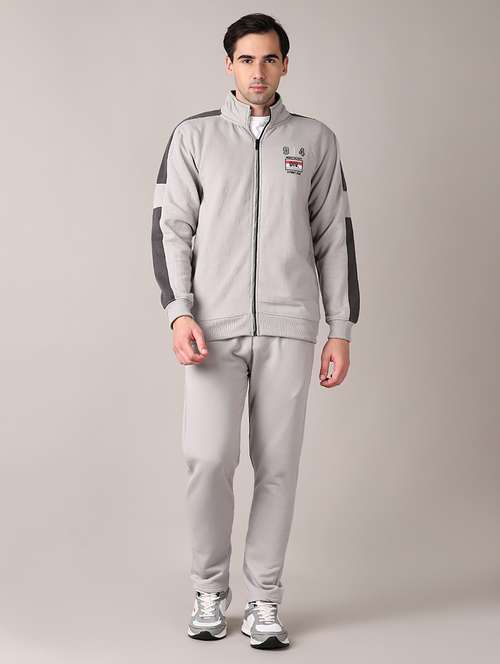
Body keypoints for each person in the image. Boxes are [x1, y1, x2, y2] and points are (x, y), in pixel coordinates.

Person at [151, 12, 360, 650]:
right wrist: (179, 311)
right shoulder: (194, 136)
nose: (258, 71)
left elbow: (335, 237)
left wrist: (340, 327)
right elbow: (170, 229)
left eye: (270, 59)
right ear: (229, 65)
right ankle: (209, 590)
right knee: (208, 459)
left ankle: (265, 600)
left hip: (289, 326)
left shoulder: (315, 140)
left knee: (277, 469)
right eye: (246, 59)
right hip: (211, 328)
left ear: (285, 64)